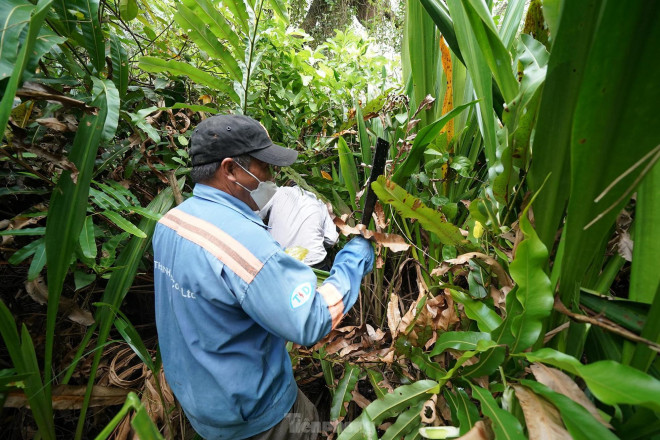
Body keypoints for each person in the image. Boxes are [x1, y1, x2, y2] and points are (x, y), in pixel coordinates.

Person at [152, 114, 374, 440]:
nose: (271, 177)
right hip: (258, 417)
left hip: (200, 407)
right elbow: (309, 322)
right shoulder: (245, 245)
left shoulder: (171, 222)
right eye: (264, 166)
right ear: (230, 169)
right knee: (310, 426)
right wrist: (352, 261)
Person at [260, 184, 339, 270]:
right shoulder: (319, 204)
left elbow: (258, 214)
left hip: (280, 262)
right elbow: (332, 239)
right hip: (314, 264)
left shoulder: (280, 192)